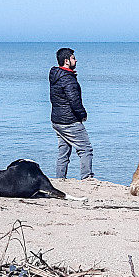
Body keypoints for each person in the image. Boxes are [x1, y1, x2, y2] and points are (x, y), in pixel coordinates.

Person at [49, 47, 94, 179]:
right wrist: (82, 115)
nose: (76, 60)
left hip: (57, 120)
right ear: (67, 61)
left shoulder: (56, 75)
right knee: (86, 149)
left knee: (64, 151)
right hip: (69, 121)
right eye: (74, 58)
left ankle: (60, 179)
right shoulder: (68, 79)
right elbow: (74, 101)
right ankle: (87, 178)